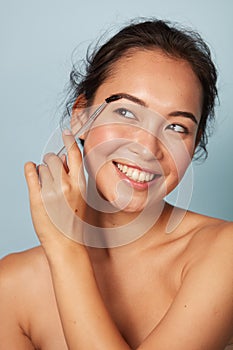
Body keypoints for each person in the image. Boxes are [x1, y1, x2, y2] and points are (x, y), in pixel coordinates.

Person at [0, 18, 232, 350]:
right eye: (126, 113)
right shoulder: (11, 285)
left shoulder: (223, 253)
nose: (147, 148)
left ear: (194, 145)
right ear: (81, 116)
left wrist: (67, 247)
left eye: (177, 128)